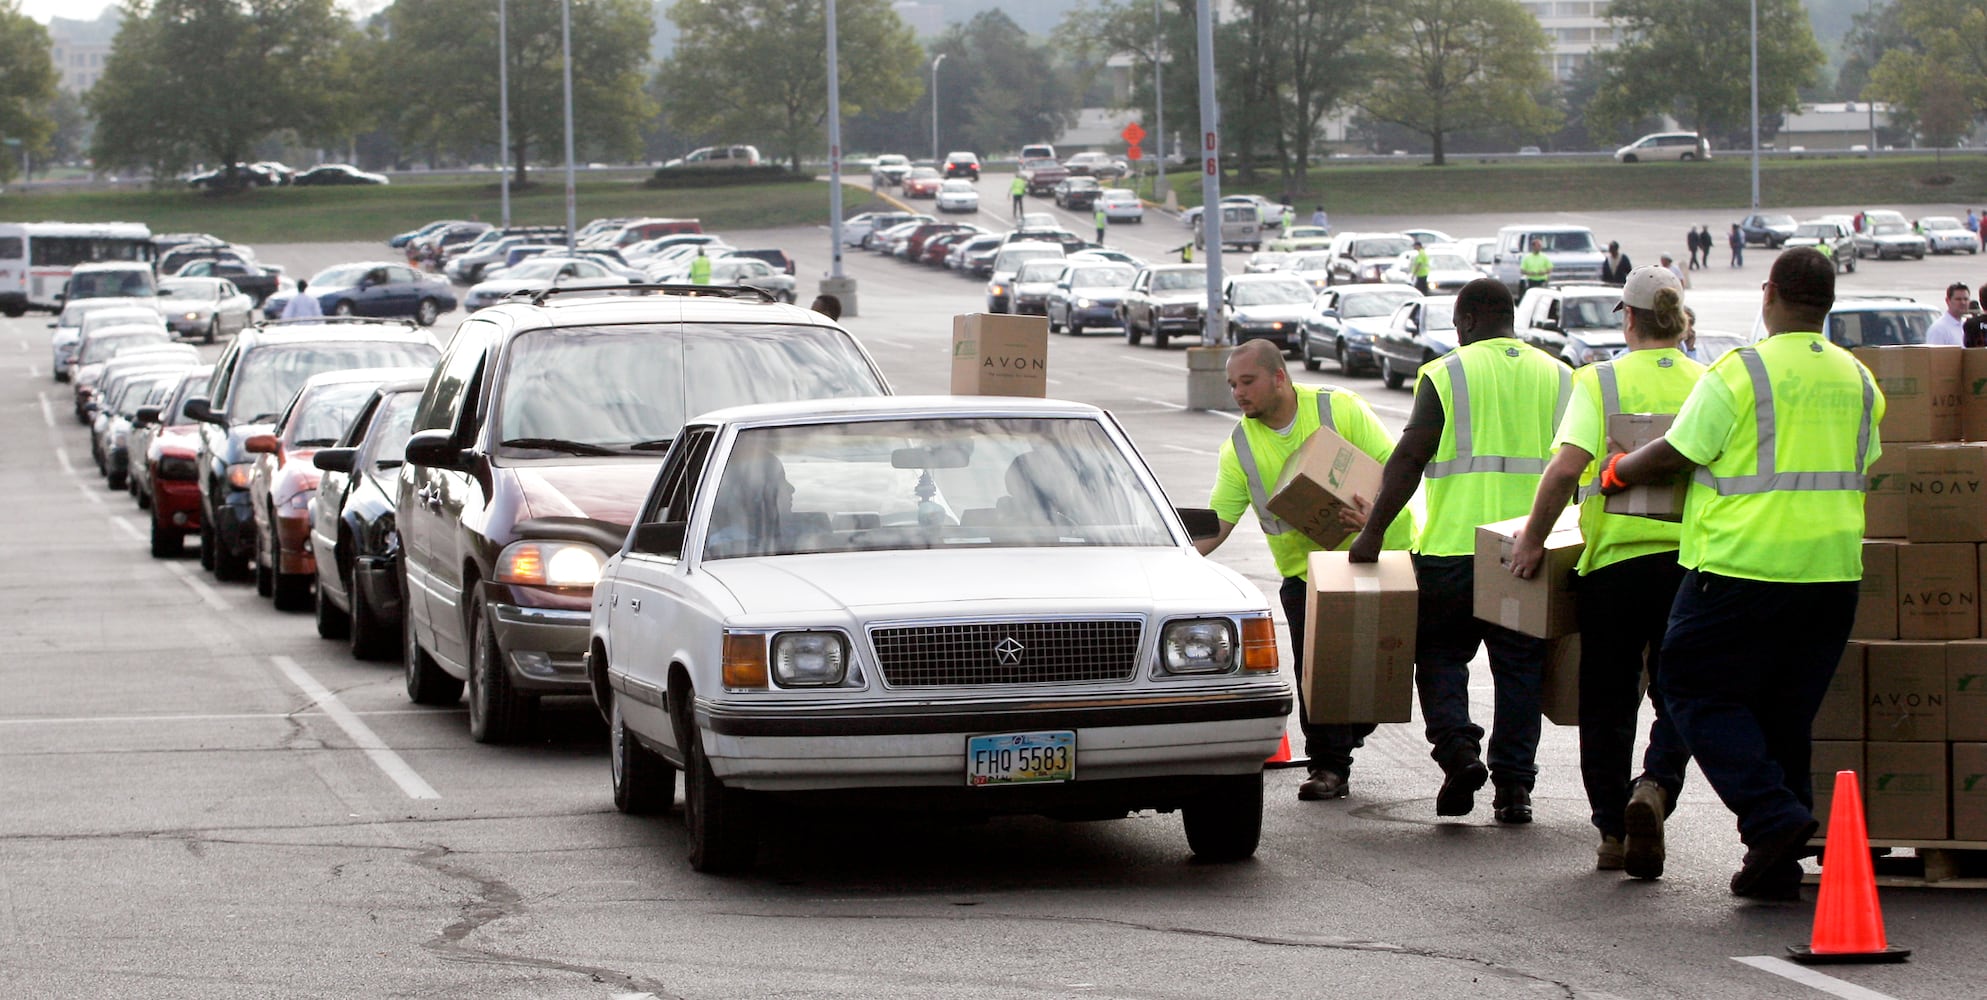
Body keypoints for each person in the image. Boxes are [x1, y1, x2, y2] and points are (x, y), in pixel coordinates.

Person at [1601, 247, 1884, 901]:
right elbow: (1860, 460)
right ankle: (1774, 859)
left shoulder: (1741, 371)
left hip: (1739, 569)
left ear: (1768, 293)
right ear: (1828, 301)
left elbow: (1678, 450)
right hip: (1831, 576)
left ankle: (1773, 818)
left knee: (1690, 689)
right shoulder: (1857, 379)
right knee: (1785, 715)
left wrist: (1616, 472)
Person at [1348, 278, 1570, 823]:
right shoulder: (1562, 377)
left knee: (1442, 658)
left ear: (1468, 320)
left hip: (1451, 550)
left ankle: (1459, 754)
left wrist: (1373, 531)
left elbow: (1410, 456)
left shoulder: (1447, 373)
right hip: (1526, 553)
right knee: (1519, 670)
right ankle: (1515, 788)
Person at [1508, 265, 1705, 879]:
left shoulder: (1600, 382)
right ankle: (1658, 784)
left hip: (1616, 566)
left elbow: (1566, 471)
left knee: (1607, 700)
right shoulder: (1710, 381)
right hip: (1690, 565)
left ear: (1627, 317)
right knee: (1682, 693)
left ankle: (1612, 831)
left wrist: (1533, 541)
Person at [1198, 340, 1417, 801]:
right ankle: (1328, 766)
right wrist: (1173, 558)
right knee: (1316, 670)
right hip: (1308, 574)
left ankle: (1348, 731)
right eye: (1232, 385)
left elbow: (1395, 467)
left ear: (1280, 377)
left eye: (1248, 381)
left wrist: (1374, 517)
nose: (1238, 393)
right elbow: (1218, 523)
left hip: (1382, 558)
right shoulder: (1239, 445)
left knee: (1384, 666)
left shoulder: (1339, 408)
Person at [1927, 281, 1969, 346]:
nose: (1963, 302)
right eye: (1958, 299)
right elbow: (1934, 355)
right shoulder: (1939, 329)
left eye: (1966, 299)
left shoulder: (1966, 326)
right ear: (1948, 301)